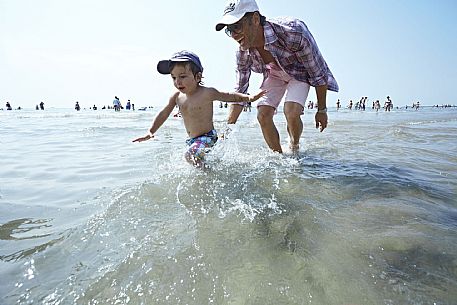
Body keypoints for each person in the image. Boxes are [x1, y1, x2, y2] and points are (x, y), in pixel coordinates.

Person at [215, 0, 338, 153]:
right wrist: (227, 128)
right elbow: (241, 89)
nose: (233, 35)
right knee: (262, 115)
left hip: (299, 72)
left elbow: (318, 74)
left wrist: (322, 110)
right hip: (273, 73)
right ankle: (279, 157)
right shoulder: (242, 53)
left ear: (255, 19)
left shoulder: (294, 32)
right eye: (229, 30)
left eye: (237, 27)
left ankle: (294, 146)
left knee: (291, 112)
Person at [132, 50, 265, 168]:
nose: (177, 81)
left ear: (198, 77)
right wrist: (150, 131)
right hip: (192, 140)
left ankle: (208, 176)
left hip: (208, 136)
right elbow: (164, 113)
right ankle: (211, 171)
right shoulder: (177, 97)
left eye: (183, 76)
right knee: (193, 160)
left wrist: (249, 98)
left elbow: (230, 96)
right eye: (173, 77)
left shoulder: (207, 93)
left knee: (190, 156)